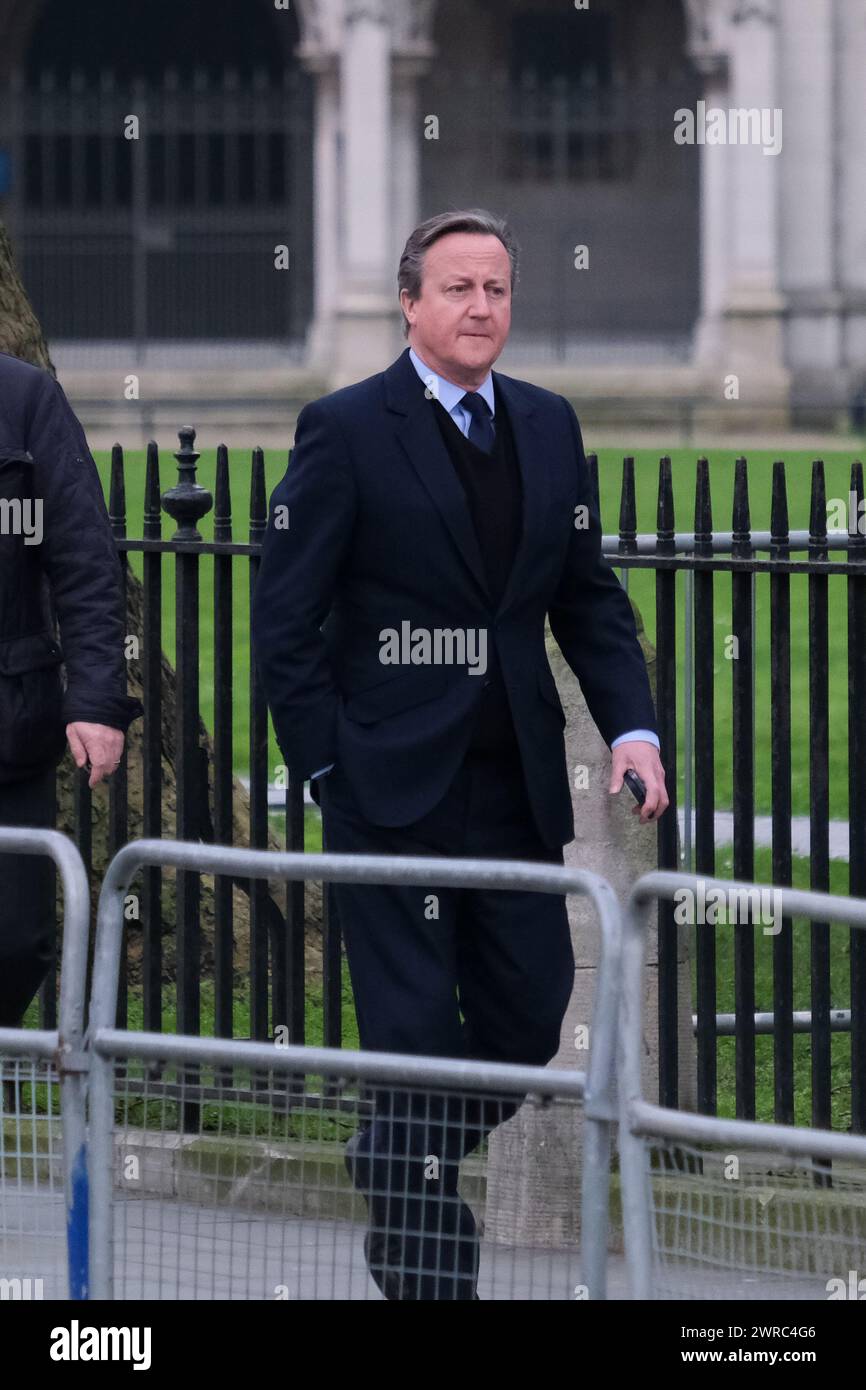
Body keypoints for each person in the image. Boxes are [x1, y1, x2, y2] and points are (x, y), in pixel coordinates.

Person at [252, 208, 668, 1299]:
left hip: (512, 790)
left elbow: (584, 598)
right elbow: (284, 624)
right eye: (457, 289)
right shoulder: (342, 430)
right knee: (411, 1038)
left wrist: (631, 726)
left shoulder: (546, 424)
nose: (480, 307)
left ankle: (391, 1151)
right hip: (385, 793)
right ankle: (436, 1282)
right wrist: (327, 768)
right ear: (409, 302)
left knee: (530, 1016)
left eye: (496, 289)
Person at [0, 350, 142, 1030]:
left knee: (18, 939)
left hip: (10, 724)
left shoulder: (24, 398)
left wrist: (94, 700)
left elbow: (83, 560)